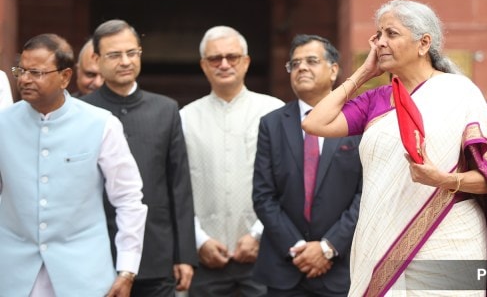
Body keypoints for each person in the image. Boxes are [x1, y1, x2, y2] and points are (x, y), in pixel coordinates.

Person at [303, 0, 487, 296]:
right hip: (382, 241)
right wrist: (362, 75)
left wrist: (444, 180)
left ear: (423, 43)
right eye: (378, 35)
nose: (380, 42)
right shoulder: (377, 99)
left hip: (449, 237)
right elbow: (315, 123)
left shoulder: (459, 92)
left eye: (391, 34)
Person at [0, 33, 147, 296]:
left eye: (36, 72)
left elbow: (128, 199)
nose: (23, 79)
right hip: (12, 275)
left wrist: (127, 269)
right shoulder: (2, 123)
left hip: (84, 275)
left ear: (65, 77)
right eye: (20, 70)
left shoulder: (101, 123)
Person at [82, 19, 198, 297]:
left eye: (132, 53)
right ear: (96, 59)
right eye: (114, 55)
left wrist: (184, 254)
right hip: (96, 251)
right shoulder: (82, 111)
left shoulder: (165, 109)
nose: (125, 61)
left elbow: (179, 186)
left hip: (156, 253)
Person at [252, 34, 362, 296]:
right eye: (295, 63)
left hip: (341, 268)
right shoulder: (272, 124)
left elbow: (366, 193)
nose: (301, 67)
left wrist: (328, 247)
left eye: (311, 61)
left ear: (333, 70)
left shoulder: (358, 121)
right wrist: (298, 247)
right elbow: (263, 195)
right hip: (284, 266)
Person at [180, 25, 284, 296]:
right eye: (215, 58)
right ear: (204, 65)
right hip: (205, 257)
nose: (224, 64)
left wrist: (259, 234)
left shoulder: (273, 112)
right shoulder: (184, 118)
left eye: (232, 57)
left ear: (246, 62)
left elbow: (287, 182)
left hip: (265, 252)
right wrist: (199, 240)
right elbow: (177, 188)